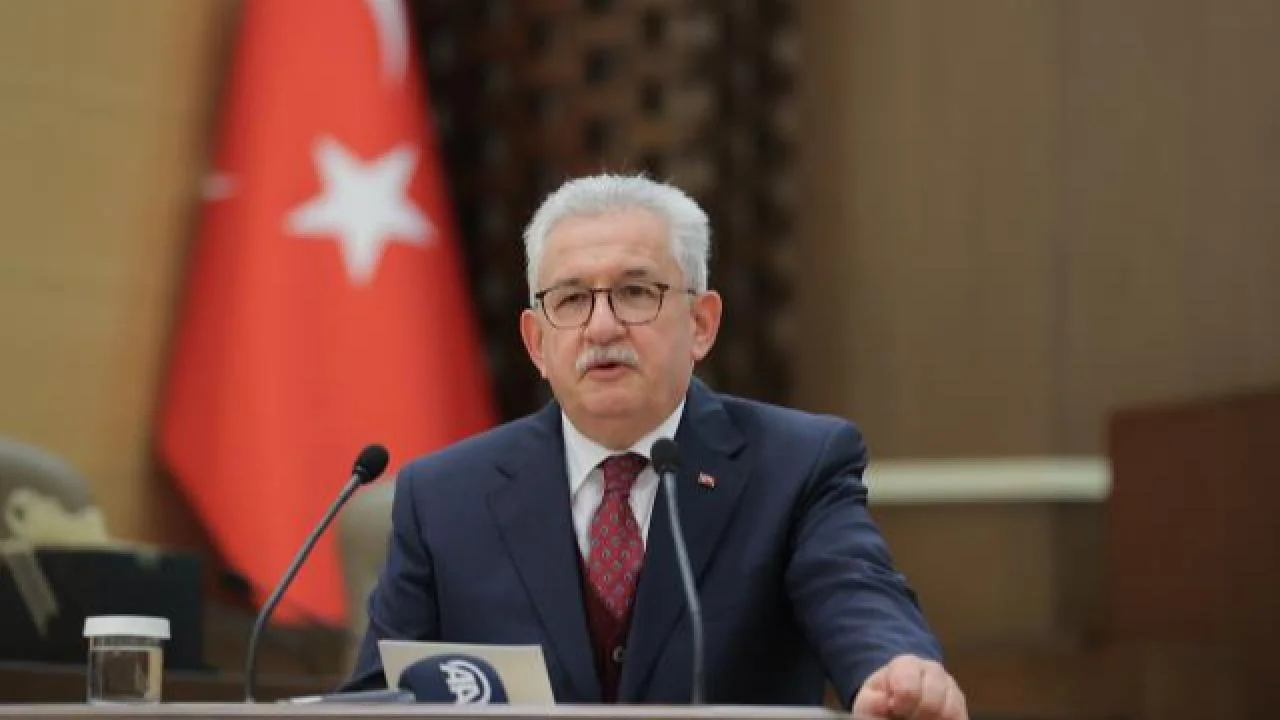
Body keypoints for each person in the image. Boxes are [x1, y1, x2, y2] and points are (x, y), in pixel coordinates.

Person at [343, 174, 968, 719]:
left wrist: (896, 669)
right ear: (536, 343)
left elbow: (855, 593)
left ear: (701, 324)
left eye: (636, 292)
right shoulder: (445, 497)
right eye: (572, 299)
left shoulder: (795, 465)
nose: (602, 326)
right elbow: (377, 701)